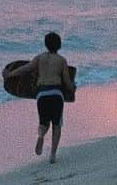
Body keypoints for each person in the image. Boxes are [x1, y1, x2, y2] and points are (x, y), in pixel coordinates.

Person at [17, 32, 75, 164]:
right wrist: (73, 88)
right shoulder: (61, 60)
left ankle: (41, 136)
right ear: (59, 45)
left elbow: (25, 69)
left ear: (46, 44)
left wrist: (9, 74)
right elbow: (67, 82)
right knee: (56, 124)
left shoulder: (39, 58)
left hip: (42, 95)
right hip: (56, 94)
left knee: (44, 122)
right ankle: (53, 155)